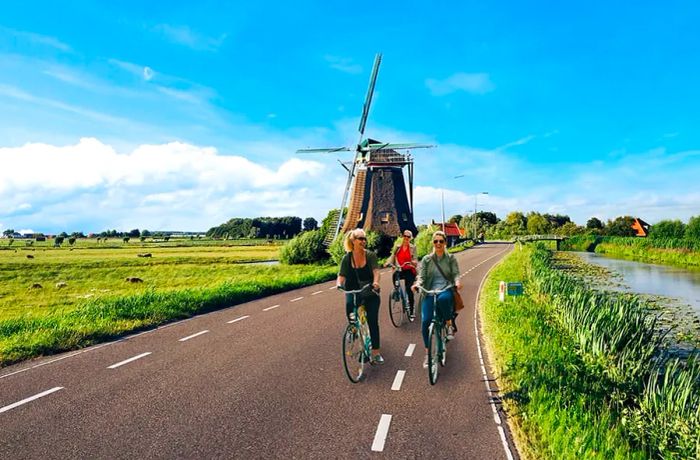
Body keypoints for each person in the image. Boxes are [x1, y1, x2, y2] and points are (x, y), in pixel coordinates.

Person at [412, 230, 462, 368]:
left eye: (441, 241)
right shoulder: (427, 259)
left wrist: (457, 282)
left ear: (445, 243)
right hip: (429, 291)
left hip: (445, 288)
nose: (438, 243)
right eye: (436, 241)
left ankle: (448, 323)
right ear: (433, 243)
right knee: (425, 321)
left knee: (443, 300)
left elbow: (456, 273)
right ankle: (428, 353)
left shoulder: (450, 258)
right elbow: (421, 276)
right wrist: (417, 284)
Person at [336, 228, 384, 364]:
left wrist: (375, 282)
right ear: (353, 240)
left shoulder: (370, 256)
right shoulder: (347, 258)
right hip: (353, 290)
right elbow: (341, 275)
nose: (363, 241)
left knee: (372, 322)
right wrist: (339, 284)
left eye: (365, 239)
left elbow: (376, 271)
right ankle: (353, 329)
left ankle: (375, 353)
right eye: (360, 239)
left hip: (369, 290)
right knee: (350, 311)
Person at [384, 229, 418, 319]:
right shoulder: (398, 246)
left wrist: (413, 262)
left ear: (411, 238)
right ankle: (397, 292)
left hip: (410, 270)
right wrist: (388, 263)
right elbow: (393, 255)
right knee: (395, 276)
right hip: (400, 269)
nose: (406, 238)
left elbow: (415, 258)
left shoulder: (413, 247)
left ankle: (411, 309)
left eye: (408, 236)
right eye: (405, 236)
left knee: (409, 289)